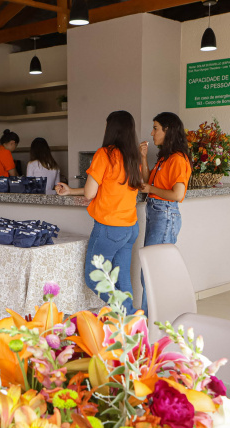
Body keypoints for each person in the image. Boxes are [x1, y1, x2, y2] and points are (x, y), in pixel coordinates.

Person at [56, 111, 143, 314]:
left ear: (111, 129)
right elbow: (104, 188)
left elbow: (90, 192)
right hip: (130, 228)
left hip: (109, 228)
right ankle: (132, 321)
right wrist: (70, 190)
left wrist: (79, 190)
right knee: (122, 279)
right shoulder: (133, 158)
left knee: (93, 277)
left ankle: (126, 311)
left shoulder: (104, 154)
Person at [138, 112, 192, 317]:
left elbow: (177, 194)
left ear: (168, 130)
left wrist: (150, 189)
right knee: (151, 270)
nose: (152, 133)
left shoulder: (178, 159)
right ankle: (152, 319)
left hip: (165, 214)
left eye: (155, 128)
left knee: (152, 272)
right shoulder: (165, 158)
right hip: (157, 213)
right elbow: (147, 184)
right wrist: (143, 157)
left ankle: (148, 322)